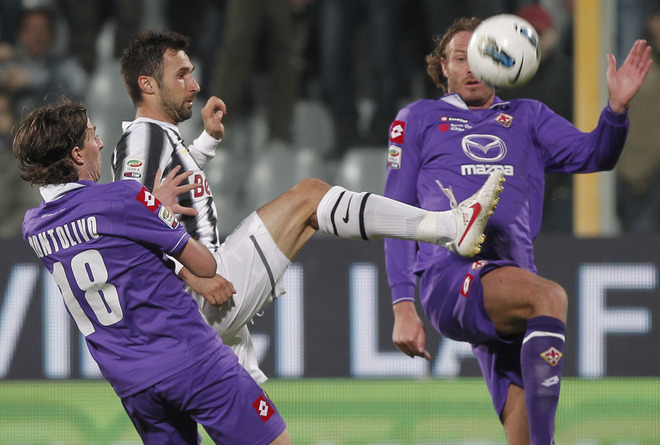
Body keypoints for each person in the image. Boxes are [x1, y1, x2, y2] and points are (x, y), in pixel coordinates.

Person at [111, 30, 505, 386]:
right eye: (181, 75)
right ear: (147, 84)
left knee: (258, 433)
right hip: (201, 295)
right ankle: (448, 226)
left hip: (198, 311)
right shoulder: (143, 139)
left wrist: (206, 145)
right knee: (310, 197)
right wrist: (196, 278)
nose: (194, 85)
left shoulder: (160, 138)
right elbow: (131, 223)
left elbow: (165, 195)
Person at [383, 17, 652, 445]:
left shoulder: (528, 117)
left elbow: (597, 154)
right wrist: (402, 303)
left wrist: (616, 109)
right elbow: (393, 212)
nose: (470, 68)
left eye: (480, 57)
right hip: (451, 276)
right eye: (459, 59)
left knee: (524, 429)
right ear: (444, 69)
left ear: (499, 62)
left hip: (510, 281)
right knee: (549, 297)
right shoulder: (419, 118)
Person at [14, 101, 291, 444]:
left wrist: (146, 207)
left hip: (132, 384)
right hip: (191, 359)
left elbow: (114, 248)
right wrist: (154, 208)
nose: (99, 144)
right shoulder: (126, 198)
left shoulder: (34, 228)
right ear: (76, 155)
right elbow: (206, 265)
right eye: (91, 135)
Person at [616, 3, 660, 233]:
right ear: (653, 23)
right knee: (642, 240)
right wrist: (631, 170)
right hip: (638, 174)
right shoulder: (638, 71)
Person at [0, 6, 88, 117]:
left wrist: (31, 79)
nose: (37, 36)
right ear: (20, 33)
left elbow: (78, 85)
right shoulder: (11, 60)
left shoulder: (64, 64)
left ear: (52, 34)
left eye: (43, 30)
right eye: (32, 30)